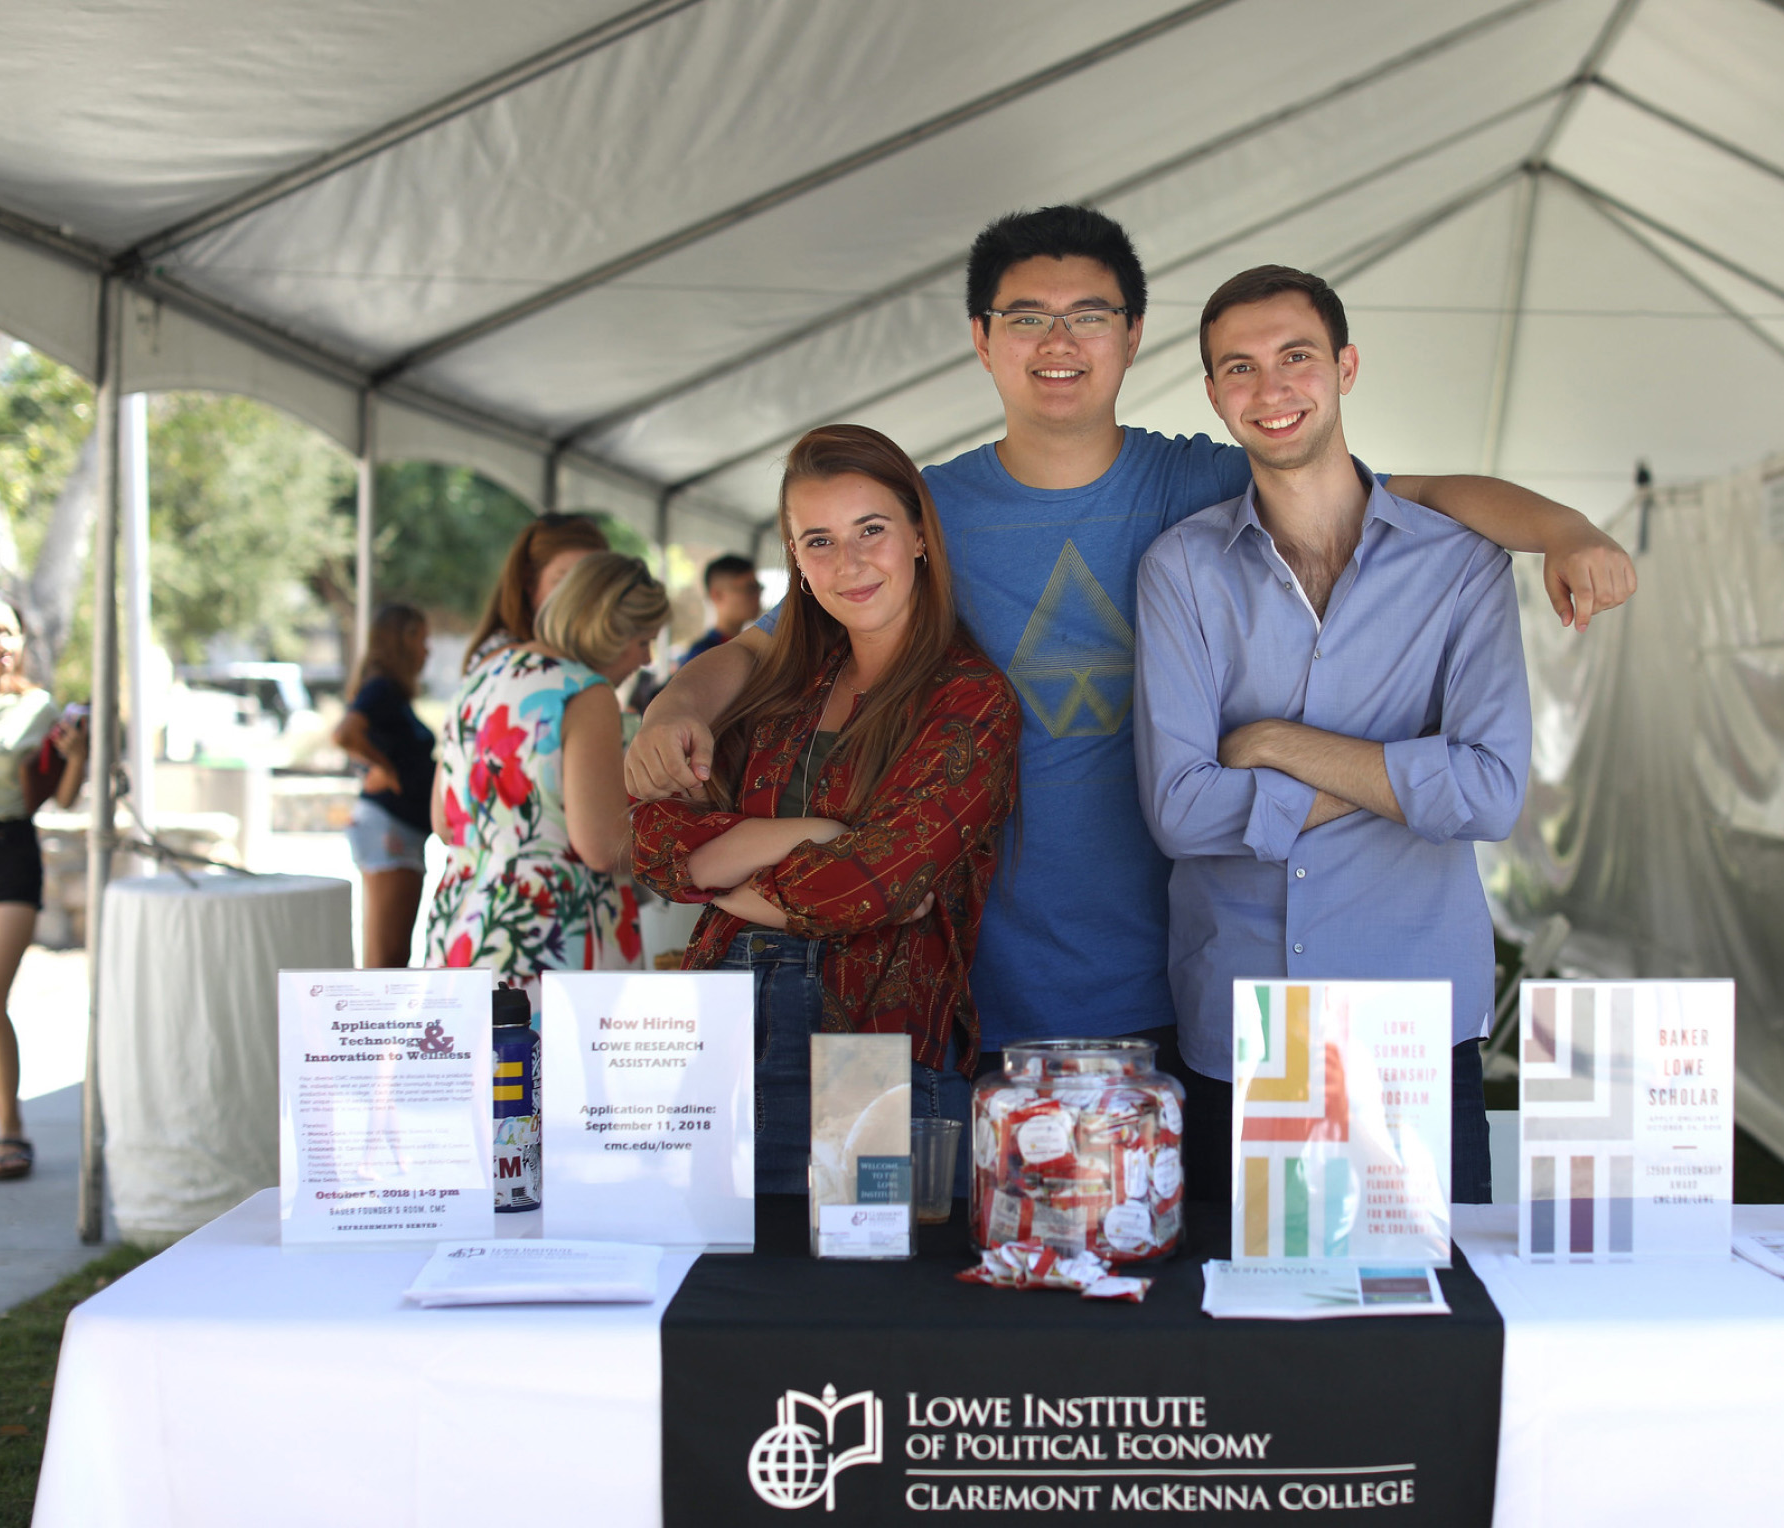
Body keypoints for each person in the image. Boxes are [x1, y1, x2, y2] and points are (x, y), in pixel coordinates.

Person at [628, 205, 1629, 1089]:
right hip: (982, 970)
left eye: (1090, 316)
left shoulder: (1197, 481)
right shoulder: (929, 512)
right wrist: (679, 702)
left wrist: (1564, 528)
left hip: (1183, 978)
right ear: (982, 339)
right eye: (1027, 317)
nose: (1059, 342)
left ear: (1133, 336)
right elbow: (775, 645)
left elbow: (1404, 495)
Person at [1136, 266, 1530, 1205]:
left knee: (1433, 1330)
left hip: (1415, 1021)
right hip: (1241, 1022)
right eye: (1239, 367)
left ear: (1345, 366)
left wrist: (1273, 741)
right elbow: (1183, 813)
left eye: (1295, 357)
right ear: (1213, 394)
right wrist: (1400, 780)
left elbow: (1490, 794)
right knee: (1244, 1332)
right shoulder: (1181, 570)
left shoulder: (1463, 567)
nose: (1270, 389)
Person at [632, 425, 1017, 1194]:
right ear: (797, 562)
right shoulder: (778, 693)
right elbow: (645, 840)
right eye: (819, 541)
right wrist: (811, 835)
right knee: (709, 1285)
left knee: (857, 1297)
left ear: (917, 536)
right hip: (722, 1032)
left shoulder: (971, 700)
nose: (849, 562)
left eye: (870, 530)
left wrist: (717, 877)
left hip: (873, 1046)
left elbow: (876, 887)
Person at [426, 553, 667, 1006]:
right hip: (547, 930)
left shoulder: (481, 676)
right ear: (610, 630)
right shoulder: (583, 691)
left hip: (462, 921)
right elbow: (600, 846)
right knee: (550, 1073)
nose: (647, 657)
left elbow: (443, 820)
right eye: (643, 639)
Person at [0, 588, 85, 1181]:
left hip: (9, 851)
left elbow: (62, 795)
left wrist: (77, 755)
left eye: (10, 632)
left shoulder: (37, 708)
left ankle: (12, 1131)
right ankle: (3, 1127)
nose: (1, 645)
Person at [332, 603, 435, 968]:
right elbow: (345, 733)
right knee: (388, 959)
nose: (428, 650)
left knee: (389, 955)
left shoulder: (390, 692)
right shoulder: (381, 688)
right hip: (390, 829)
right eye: (422, 640)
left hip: (398, 829)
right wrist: (384, 767)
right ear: (403, 641)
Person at [460, 512, 610, 672]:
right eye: (566, 584)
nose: (583, 598)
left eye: (594, 585)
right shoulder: (513, 659)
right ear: (529, 581)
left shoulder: (562, 655)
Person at [679, 554, 763, 664]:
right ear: (717, 595)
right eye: (750, 589)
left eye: (758, 588)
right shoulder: (703, 655)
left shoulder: (754, 648)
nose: (757, 595)